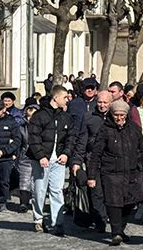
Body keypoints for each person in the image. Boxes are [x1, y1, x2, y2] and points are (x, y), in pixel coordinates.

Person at [88, 99, 143, 246]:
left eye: (122, 115)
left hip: (132, 171)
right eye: (116, 115)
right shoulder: (105, 130)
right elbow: (96, 154)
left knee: (129, 202)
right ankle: (115, 232)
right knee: (114, 203)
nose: (119, 118)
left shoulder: (134, 129)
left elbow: (142, 150)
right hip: (111, 172)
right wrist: (92, 176)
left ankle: (120, 230)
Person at [27, 87, 74, 235]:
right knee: (39, 190)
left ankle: (58, 222)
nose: (67, 100)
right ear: (55, 98)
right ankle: (38, 220)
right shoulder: (39, 116)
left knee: (57, 190)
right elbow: (33, 137)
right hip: (41, 160)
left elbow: (71, 137)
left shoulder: (65, 117)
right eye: (64, 97)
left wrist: (66, 153)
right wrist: (40, 156)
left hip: (58, 160)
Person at [72, 90, 111, 231]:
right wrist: (77, 161)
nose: (102, 105)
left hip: (111, 161)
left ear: (111, 103)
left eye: (105, 102)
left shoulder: (116, 116)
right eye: (99, 102)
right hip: (93, 160)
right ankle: (101, 221)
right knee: (96, 192)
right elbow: (82, 141)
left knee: (111, 193)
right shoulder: (88, 117)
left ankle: (112, 218)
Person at [14, 99, 38, 212]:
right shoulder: (22, 127)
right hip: (25, 155)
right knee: (24, 179)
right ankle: (23, 203)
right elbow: (18, 141)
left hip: (39, 156)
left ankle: (37, 202)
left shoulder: (42, 126)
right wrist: (16, 154)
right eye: (29, 115)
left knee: (36, 181)